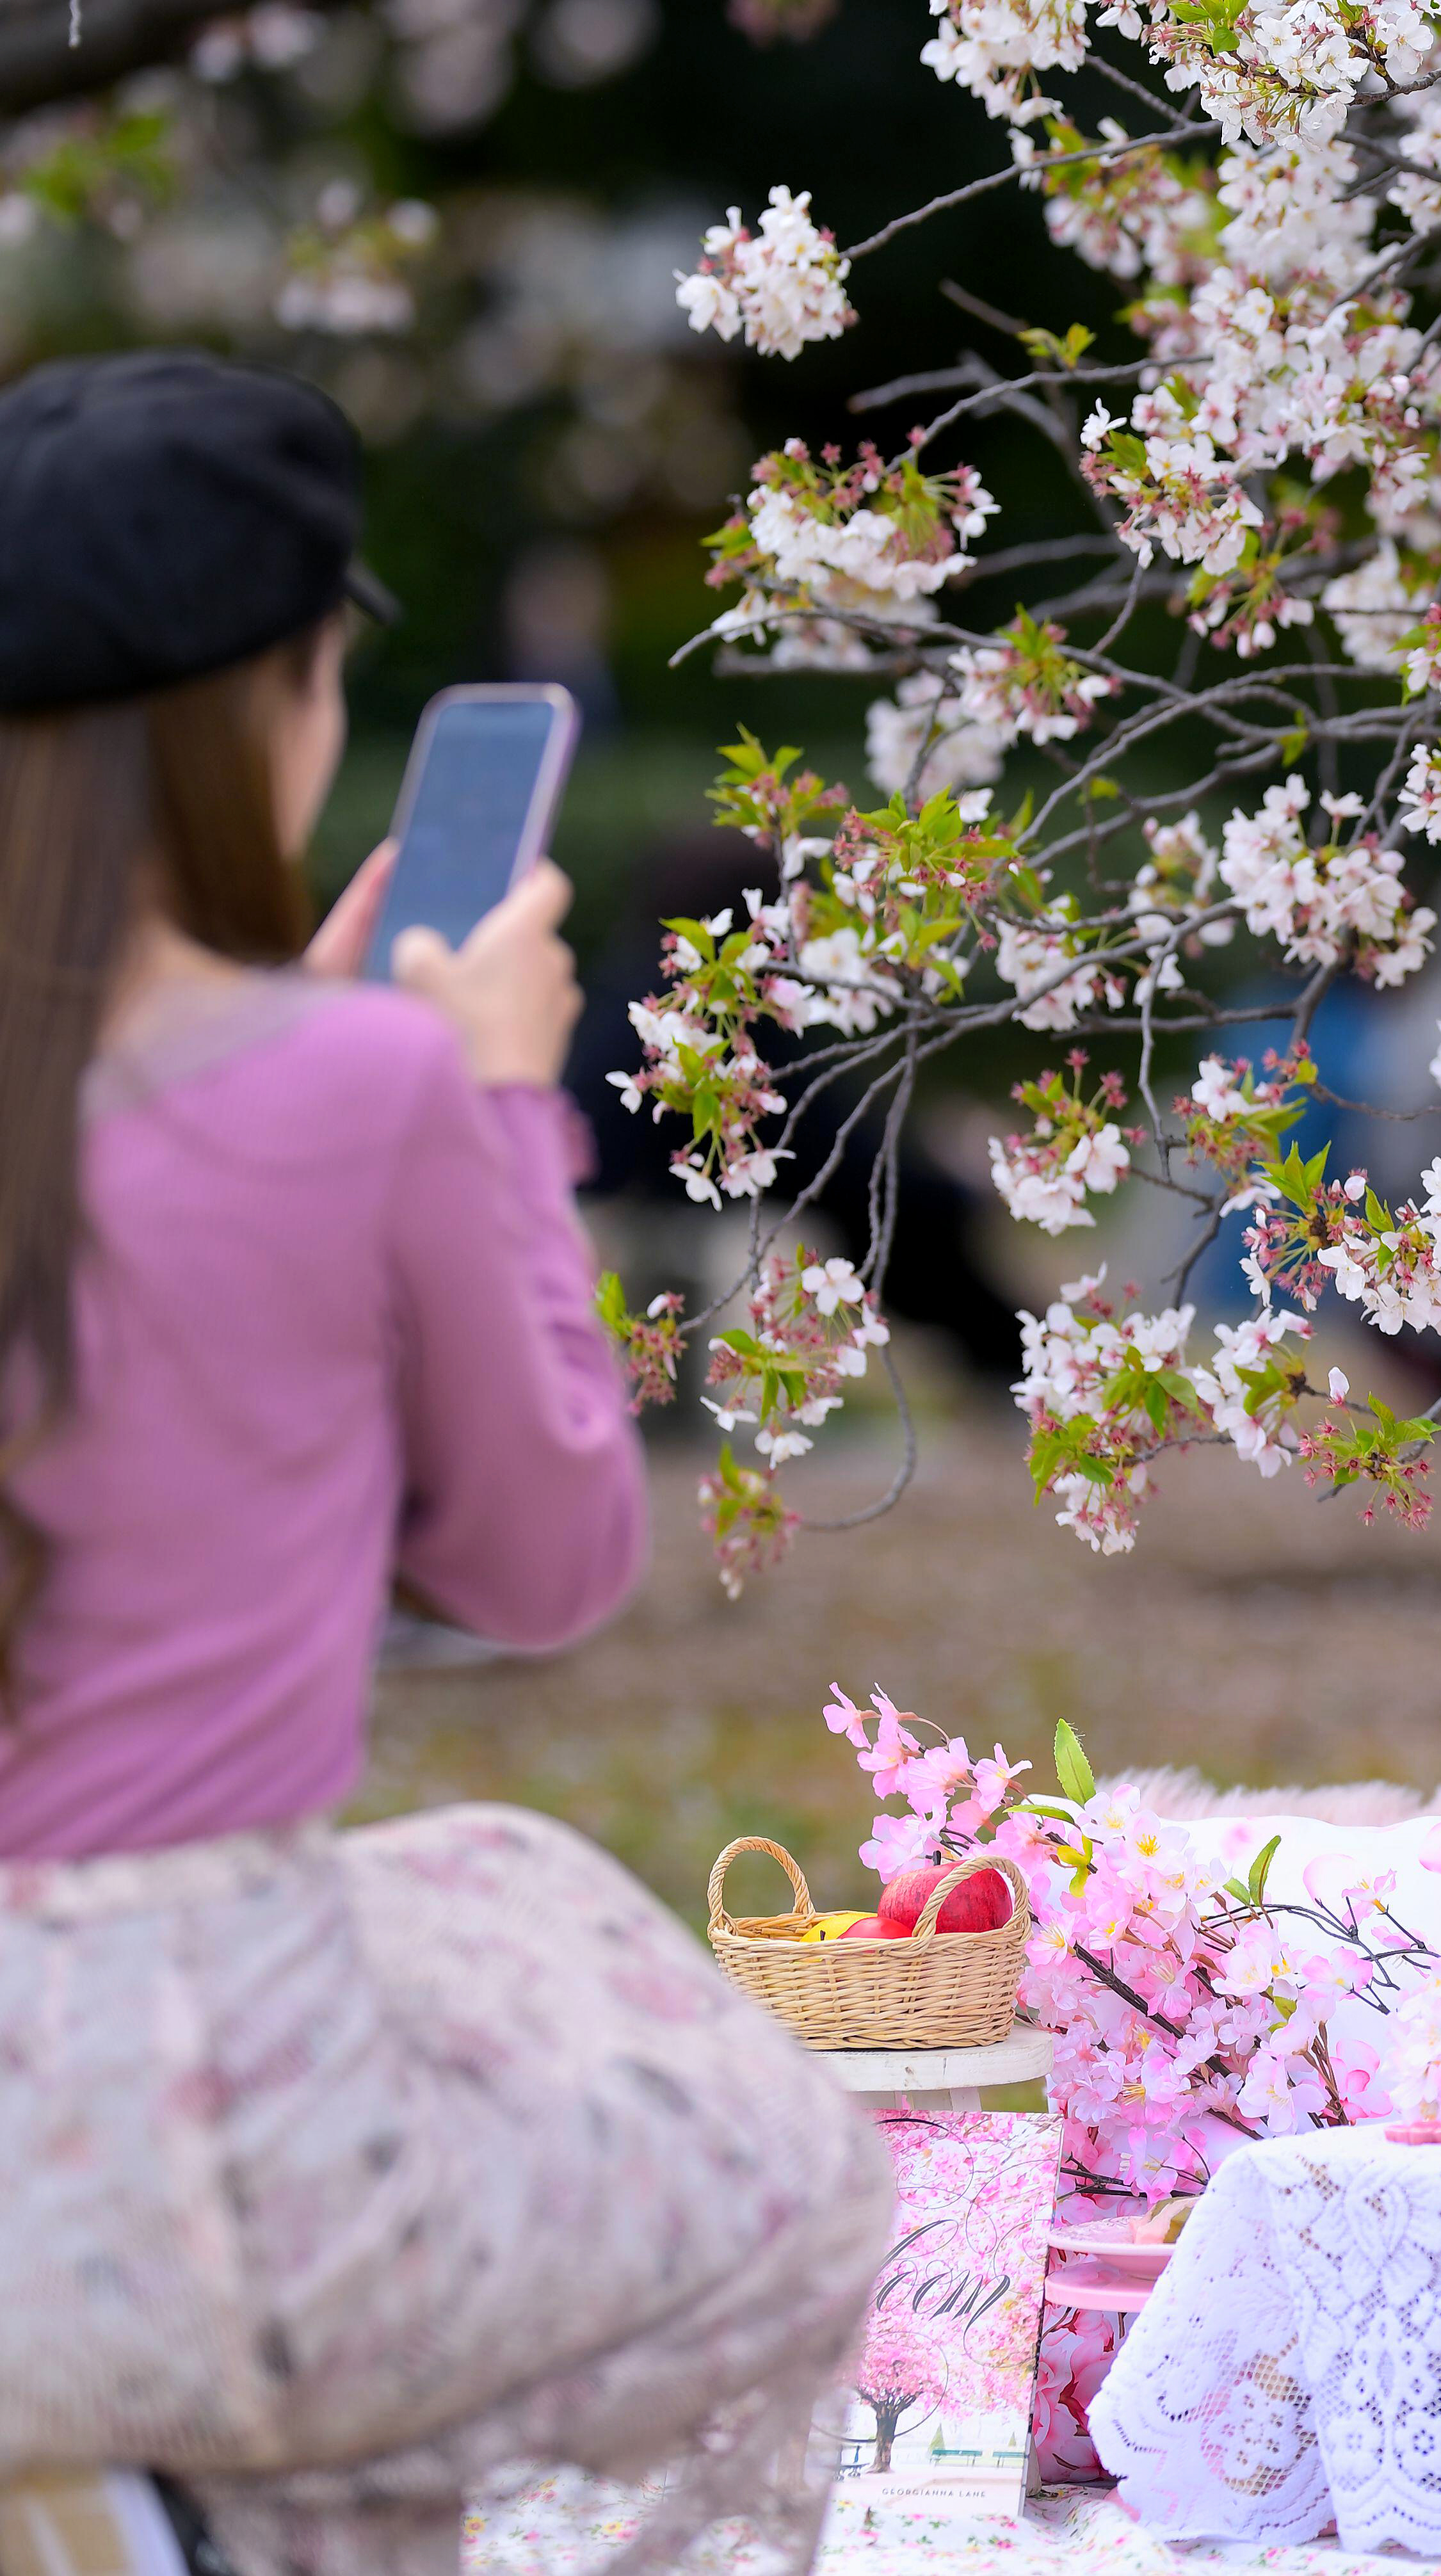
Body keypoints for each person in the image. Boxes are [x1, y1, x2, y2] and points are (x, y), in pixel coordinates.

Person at [0, 353, 888, 2576]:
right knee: (808, 2184)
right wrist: (483, 1097)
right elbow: (542, 1562)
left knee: (497, 1874)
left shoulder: (268, 1079)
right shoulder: (358, 1090)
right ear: (276, 706)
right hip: (224, 2161)